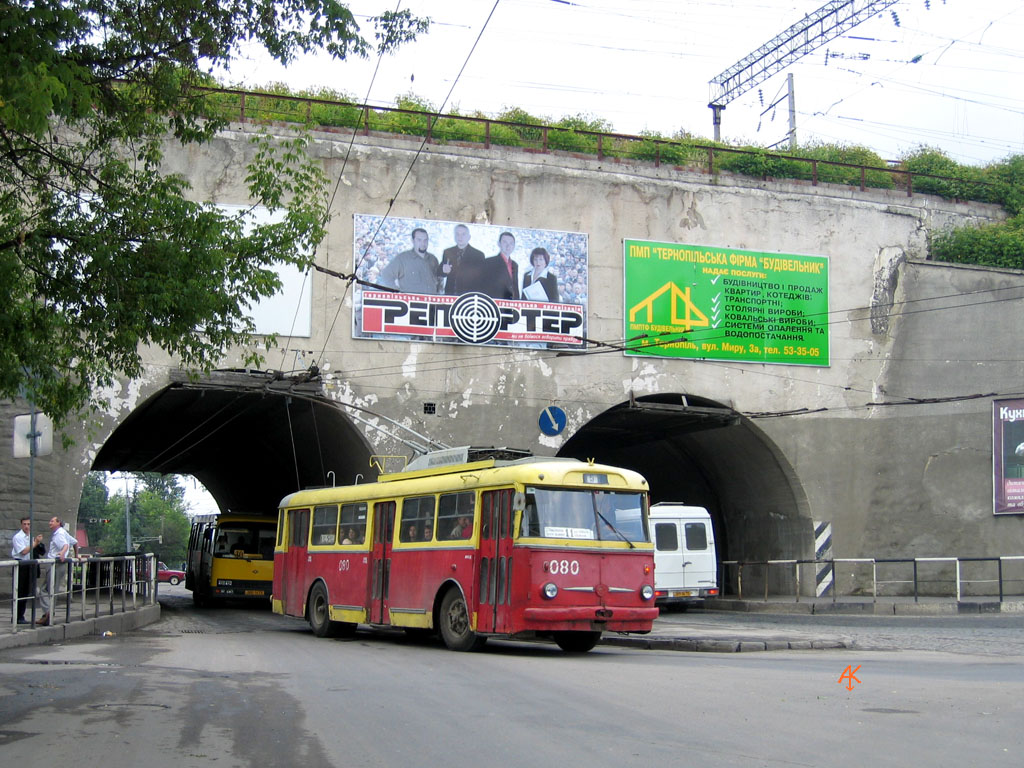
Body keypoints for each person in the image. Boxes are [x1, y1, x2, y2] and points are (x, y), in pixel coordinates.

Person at [36, 515, 78, 625]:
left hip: (55, 564)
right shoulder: (63, 532)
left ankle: (48, 612)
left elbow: (64, 545)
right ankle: (48, 614)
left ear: (58, 523)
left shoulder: (59, 534)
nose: (50, 523)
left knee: (46, 590)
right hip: (60, 565)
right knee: (51, 589)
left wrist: (63, 553)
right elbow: (75, 542)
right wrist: (76, 555)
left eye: (52, 521)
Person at [377, 228, 441, 294]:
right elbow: (386, 274)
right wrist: (397, 292)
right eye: (419, 240)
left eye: (425, 240)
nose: (423, 243)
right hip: (412, 302)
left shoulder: (433, 259)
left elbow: (439, 280)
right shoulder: (403, 258)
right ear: (413, 241)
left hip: (432, 301)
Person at [11, 516, 44, 625]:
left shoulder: (30, 536)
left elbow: (37, 551)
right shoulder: (18, 537)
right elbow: (23, 552)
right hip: (21, 564)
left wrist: (38, 543)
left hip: (28, 565)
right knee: (19, 591)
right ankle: (16, 616)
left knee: (25, 592)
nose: (26, 526)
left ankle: (21, 615)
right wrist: (35, 543)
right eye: (24, 524)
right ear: (21, 525)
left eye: (28, 524)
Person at [438, 224, 485, 295]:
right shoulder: (448, 252)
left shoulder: (478, 255)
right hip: (450, 296)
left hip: (469, 298)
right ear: (454, 236)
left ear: (469, 237)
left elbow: (482, 280)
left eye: (463, 234)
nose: (460, 237)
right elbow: (439, 272)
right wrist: (443, 270)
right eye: (457, 234)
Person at [479, 232, 520, 300]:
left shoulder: (515, 265)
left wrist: (517, 302)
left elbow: (515, 287)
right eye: (505, 242)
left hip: (511, 305)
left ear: (514, 245)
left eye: (511, 243)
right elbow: (484, 286)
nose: (508, 246)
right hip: (495, 303)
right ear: (499, 244)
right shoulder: (489, 262)